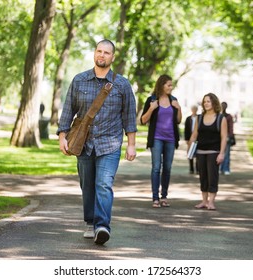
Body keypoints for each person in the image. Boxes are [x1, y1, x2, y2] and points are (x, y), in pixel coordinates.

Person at [56, 39, 137, 245]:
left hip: (109, 144)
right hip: (83, 143)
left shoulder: (122, 84)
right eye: (99, 51)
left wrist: (131, 143)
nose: (102, 55)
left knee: (103, 183)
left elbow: (129, 116)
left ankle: (102, 226)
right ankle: (90, 222)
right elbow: (68, 110)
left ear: (113, 57)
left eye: (106, 53)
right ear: (94, 53)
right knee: (87, 185)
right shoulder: (79, 80)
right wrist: (62, 136)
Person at [141, 74, 182, 208]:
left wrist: (179, 108)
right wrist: (152, 108)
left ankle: (164, 196)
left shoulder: (174, 100)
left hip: (170, 138)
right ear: (161, 85)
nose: (171, 87)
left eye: (171, 85)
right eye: (168, 85)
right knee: (156, 167)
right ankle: (155, 198)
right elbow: (143, 120)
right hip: (157, 138)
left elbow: (178, 120)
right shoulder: (152, 100)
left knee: (168, 168)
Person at [187, 93, 227, 211]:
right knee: (203, 177)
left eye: (208, 101)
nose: (206, 103)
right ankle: (204, 201)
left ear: (214, 102)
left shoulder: (221, 118)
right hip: (200, 152)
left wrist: (222, 153)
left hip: (213, 152)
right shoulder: (199, 118)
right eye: (204, 102)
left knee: (212, 177)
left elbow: (224, 137)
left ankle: (211, 202)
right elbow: (194, 134)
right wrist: (189, 148)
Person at [220, 102, 234, 175]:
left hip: (227, 137)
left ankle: (226, 169)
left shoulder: (229, 116)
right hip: (219, 137)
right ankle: (220, 168)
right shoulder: (218, 116)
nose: (223, 107)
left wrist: (230, 136)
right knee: (219, 153)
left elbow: (231, 127)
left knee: (227, 154)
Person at [184, 105, 199, 174]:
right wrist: (187, 139)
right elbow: (186, 129)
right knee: (190, 154)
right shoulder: (188, 119)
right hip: (190, 137)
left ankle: (198, 169)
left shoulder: (199, 118)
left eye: (195, 109)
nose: (194, 110)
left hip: (198, 138)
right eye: (193, 109)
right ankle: (191, 169)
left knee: (198, 154)